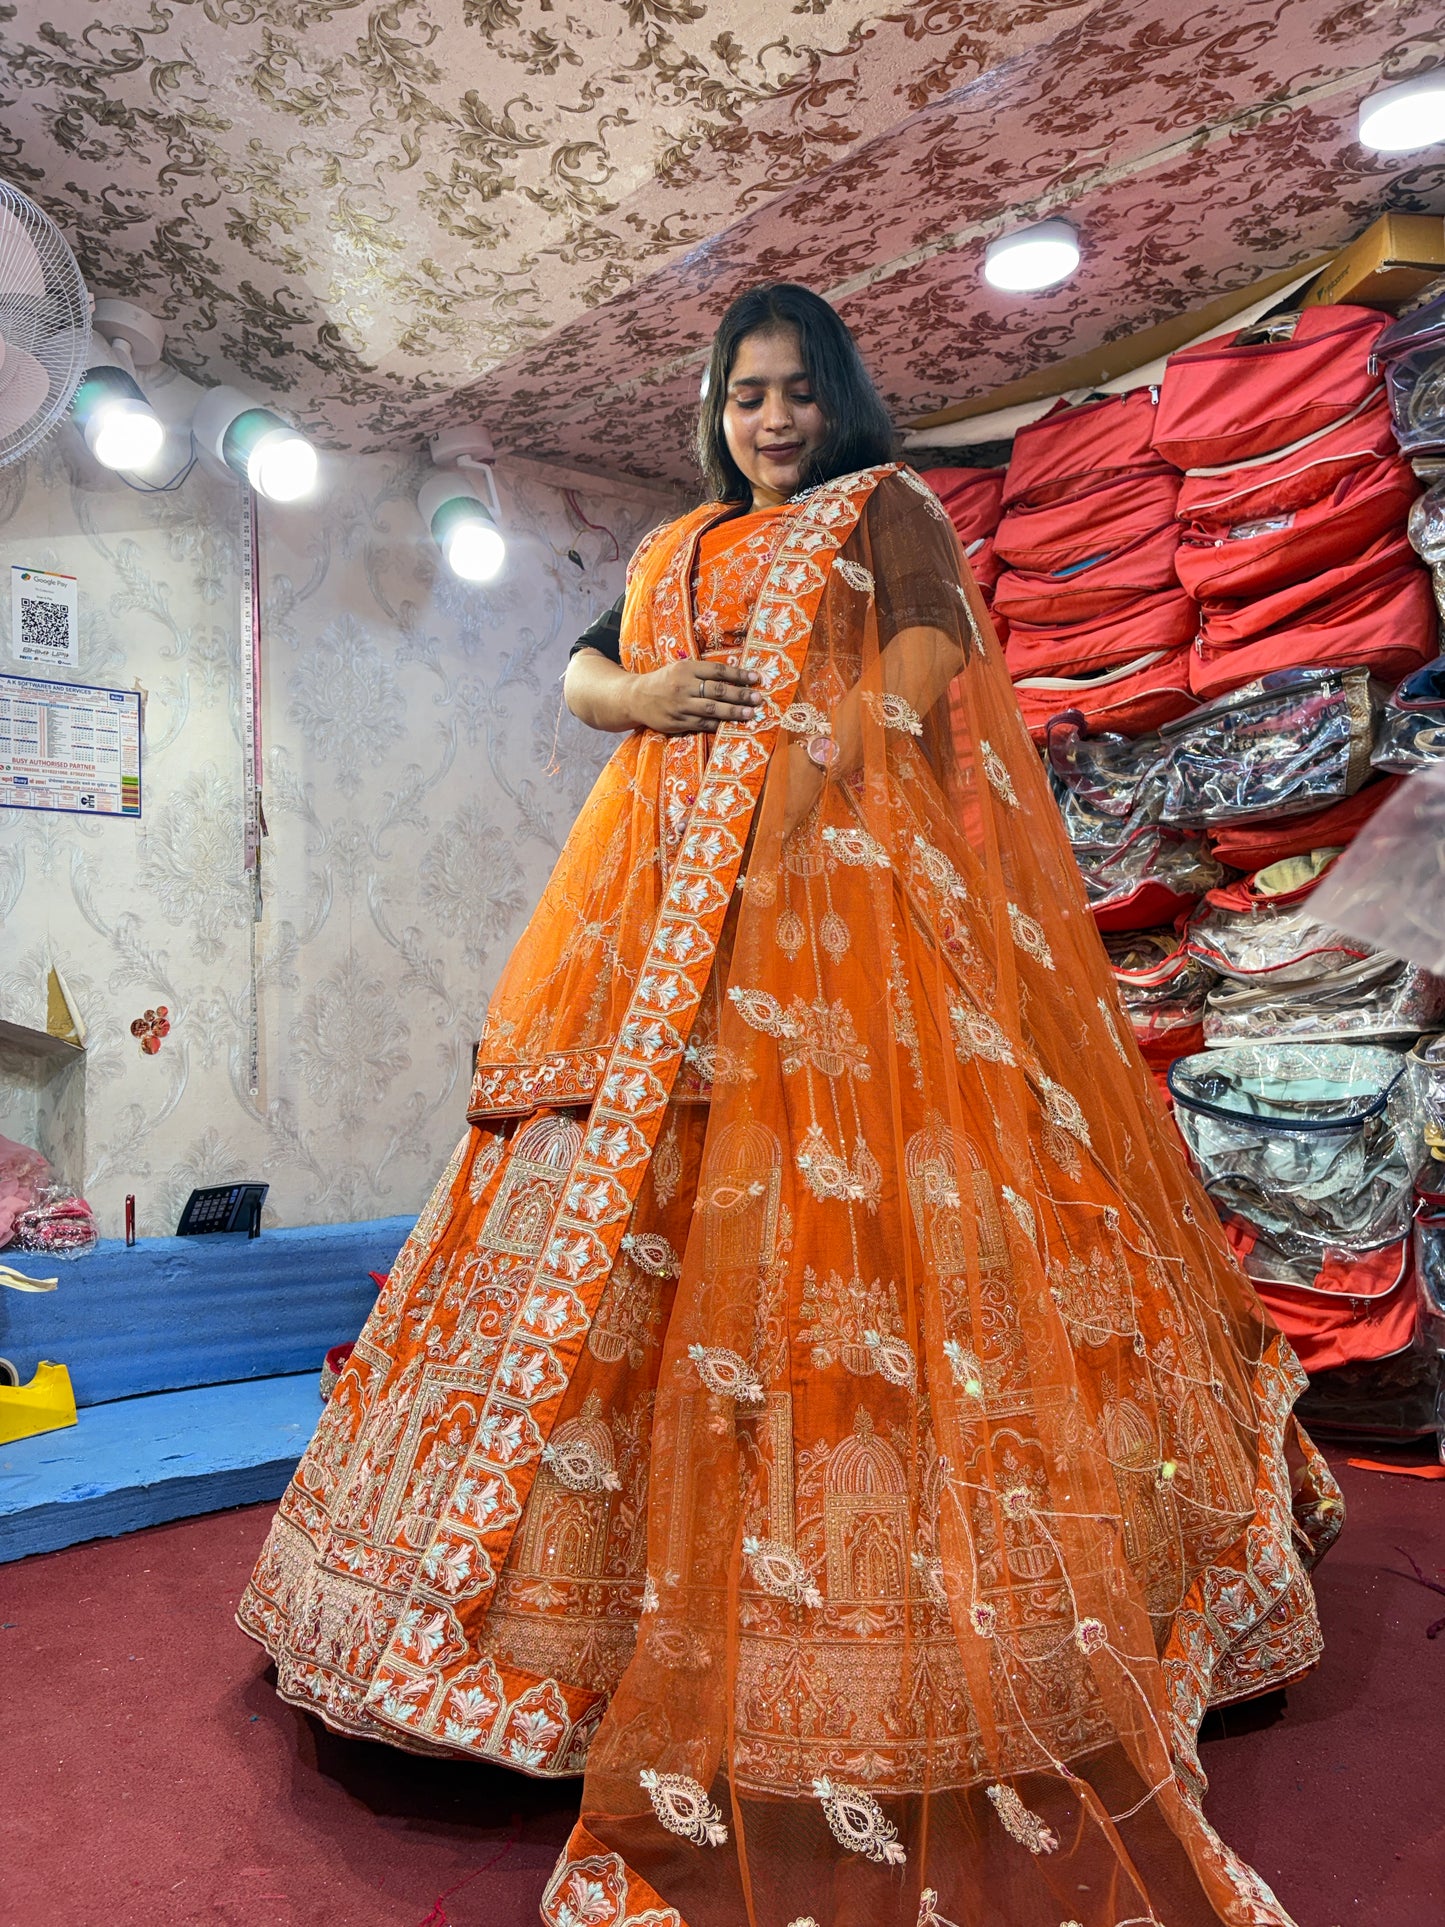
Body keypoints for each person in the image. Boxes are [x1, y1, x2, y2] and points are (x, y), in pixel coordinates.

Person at [240, 284, 1341, 1927]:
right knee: (580, 1209)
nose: (771, 418)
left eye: (795, 393)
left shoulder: (874, 508)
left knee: (875, 1223)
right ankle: (505, 1644)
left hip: (843, 921)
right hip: (647, 923)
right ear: (715, 406)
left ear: (837, 404)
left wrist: (834, 746)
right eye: (745, 394)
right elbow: (582, 672)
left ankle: (884, 1641)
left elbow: (929, 641)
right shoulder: (675, 546)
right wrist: (639, 704)